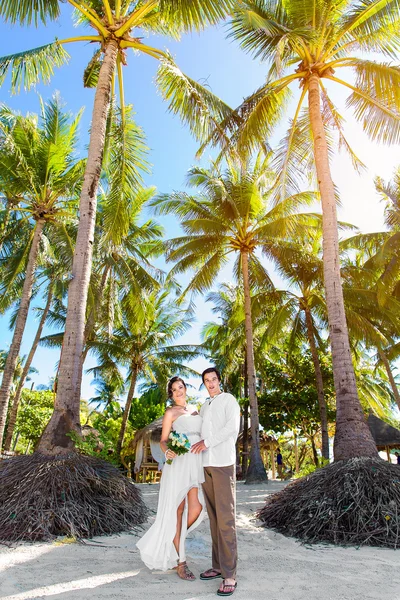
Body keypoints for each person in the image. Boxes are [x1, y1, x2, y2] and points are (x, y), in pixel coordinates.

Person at [136, 376, 205, 580]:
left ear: (186, 389)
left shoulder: (195, 410)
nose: (178, 392)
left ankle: (173, 538)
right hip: (179, 463)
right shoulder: (170, 412)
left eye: (181, 387)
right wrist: (167, 452)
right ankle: (181, 562)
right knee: (178, 509)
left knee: (197, 506)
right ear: (171, 394)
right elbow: (164, 440)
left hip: (196, 463)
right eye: (174, 390)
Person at [191, 367, 240, 597]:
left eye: (213, 379)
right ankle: (218, 565)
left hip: (222, 464)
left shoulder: (228, 400)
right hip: (206, 465)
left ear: (220, 380)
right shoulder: (204, 406)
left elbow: (232, 429)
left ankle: (229, 574)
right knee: (213, 518)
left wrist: (207, 442)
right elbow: (200, 432)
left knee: (226, 519)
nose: (210, 383)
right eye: (206, 381)